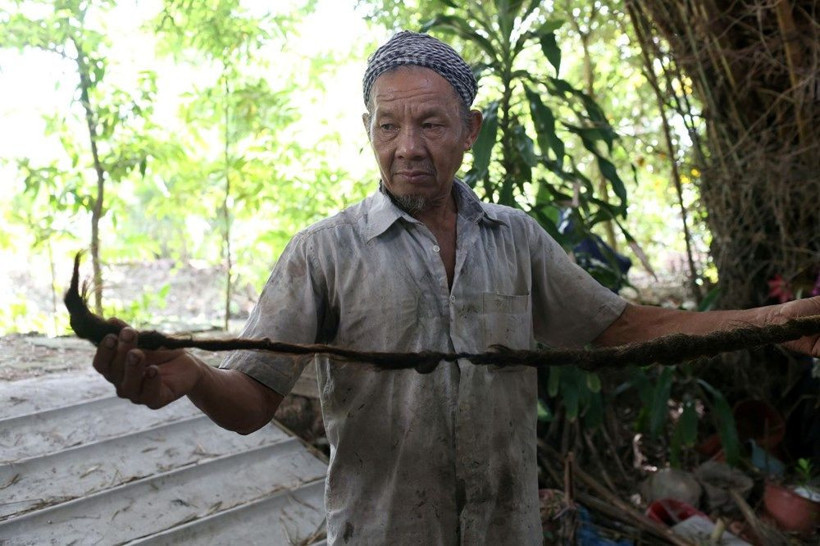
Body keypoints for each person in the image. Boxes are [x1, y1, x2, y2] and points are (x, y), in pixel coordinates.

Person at [92, 31, 820, 545]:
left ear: (469, 129)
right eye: (388, 125)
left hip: (506, 531)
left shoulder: (518, 239)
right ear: (368, 129)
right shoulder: (323, 253)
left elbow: (625, 329)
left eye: (431, 123)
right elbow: (251, 404)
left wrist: (781, 317)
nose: (407, 146)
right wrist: (188, 375)